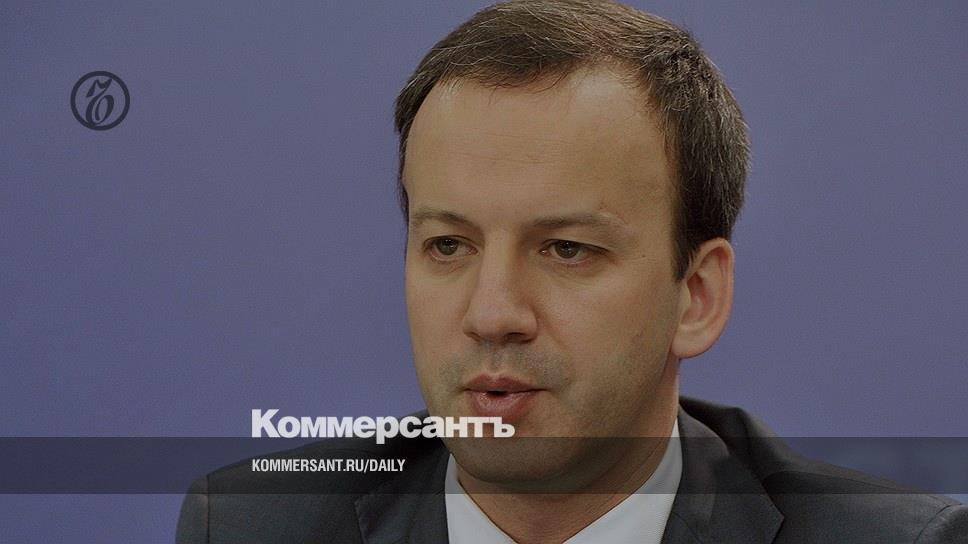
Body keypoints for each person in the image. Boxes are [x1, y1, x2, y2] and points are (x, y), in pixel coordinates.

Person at [176, 1, 967, 542]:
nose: (492, 313)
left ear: (696, 296)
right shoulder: (251, 525)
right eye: (449, 245)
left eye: (566, 249)